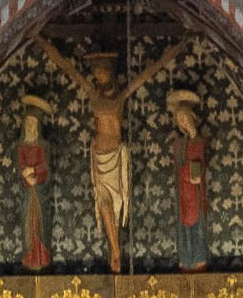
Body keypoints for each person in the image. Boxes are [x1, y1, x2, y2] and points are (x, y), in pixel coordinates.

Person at [37, 35, 189, 272]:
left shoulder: (121, 96)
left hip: (116, 159)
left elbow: (150, 71)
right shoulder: (92, 93)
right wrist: (42, 42)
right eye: (96, 73)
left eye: (102, 72)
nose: (98, 76)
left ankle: (116, 252)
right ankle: (115, 252)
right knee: (105, 206)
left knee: (116, 207)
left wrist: (176, 47)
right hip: (99, 156)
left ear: (110, 73)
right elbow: (67, 68)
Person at [168, 88, 208, 270]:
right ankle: (185, 258)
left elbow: (198, 163)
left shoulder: (199, 141)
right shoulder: (178, 144)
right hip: (183, 191)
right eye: (179, 120)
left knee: (197, 222)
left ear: (192, 117)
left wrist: (195, 175)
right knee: (183, 224)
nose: (183, 122)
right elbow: (179, 166)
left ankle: (199, 258)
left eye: (185, 118)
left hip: (195, 191)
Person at [16, 94, 53, 270]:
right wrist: (26, 175)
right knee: (28, 223)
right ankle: (30, 256)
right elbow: (21, 165)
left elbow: (45, 166)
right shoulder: (21, 146)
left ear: (38, 126)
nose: (30, 126)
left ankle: (42, 256)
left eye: (33, 123)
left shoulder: (43, 146)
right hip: (27, 189)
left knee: (41, 223)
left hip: (40, 188)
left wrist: (34, 174)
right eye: (28, 123)